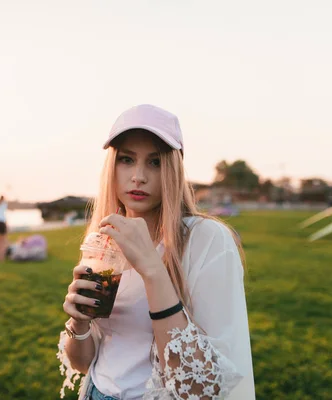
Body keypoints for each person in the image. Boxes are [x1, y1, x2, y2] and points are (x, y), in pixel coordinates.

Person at [57, 104, 255, 399]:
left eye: (155, 162)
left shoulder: (206, 240)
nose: (138, 176)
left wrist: (152, 269)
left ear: (173, 170)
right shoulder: (106, 240)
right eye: (126, 159)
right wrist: (79, 321)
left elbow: (201, 388)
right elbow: (83, 362)